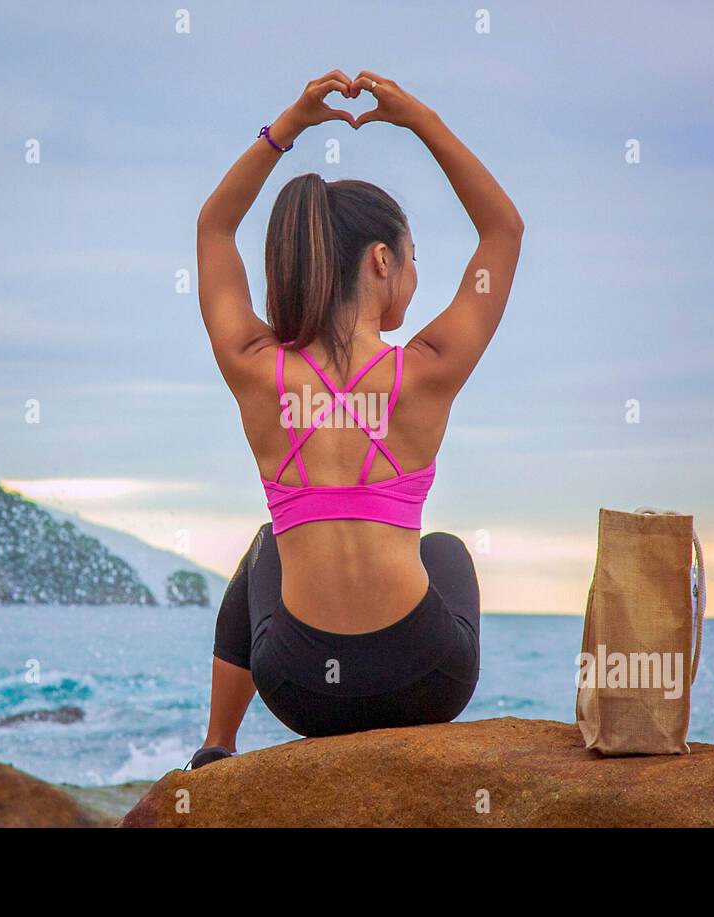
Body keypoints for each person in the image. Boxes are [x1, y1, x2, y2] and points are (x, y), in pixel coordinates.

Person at [191, 69, 523, 767]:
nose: (414, 273)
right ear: (382, 260)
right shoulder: (427, 370)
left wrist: (288, 125)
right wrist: (419, 119)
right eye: (411, 259)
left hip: (301, 687)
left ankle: (217, 746)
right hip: (427, 676)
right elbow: (503, 228)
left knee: (267, 545)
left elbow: (215, 227)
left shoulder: (256, 366)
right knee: (447, 551)